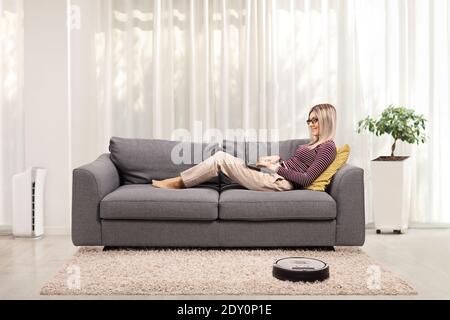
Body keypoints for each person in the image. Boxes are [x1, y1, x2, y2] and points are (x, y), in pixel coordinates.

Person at [152, 104, 337, 191]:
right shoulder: (315, 144)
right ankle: (179, 181)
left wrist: (277, 168)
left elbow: (306, 178)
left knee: (220, 158)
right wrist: (276, 160)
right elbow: (297, 165)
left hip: (280, 182)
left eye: (315, 120)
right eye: (309, 120)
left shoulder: (328, 148)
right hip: (275, 175)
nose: (311, 124)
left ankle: (178, 183)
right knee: (223, 158)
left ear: (326, 120)